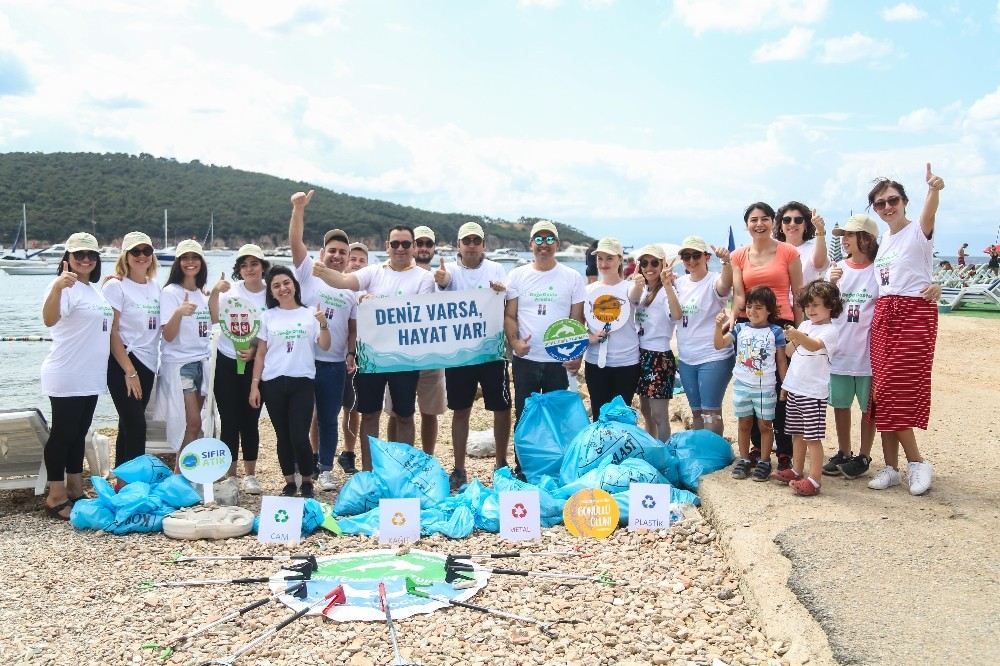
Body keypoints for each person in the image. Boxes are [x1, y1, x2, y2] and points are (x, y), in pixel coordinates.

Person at [314, 225, 435, 470]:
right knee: (369, 414)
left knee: (404, 415)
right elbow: (344, 280)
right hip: (371, 356)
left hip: (405, 357)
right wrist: (322, 271)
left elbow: (421, 311)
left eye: (405, 244)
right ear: (387, 247)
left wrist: (376, 301)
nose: (400, 249)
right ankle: (369, 472)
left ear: (413, 247)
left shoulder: (424, 277)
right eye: (394, 244)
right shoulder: (374, 272)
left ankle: (403, 471)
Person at [866, 163, 945, 496]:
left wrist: (934, 189)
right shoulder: (884, 238)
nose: (887, 206)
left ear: (904, 201)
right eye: (881, 203)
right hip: (884, 314)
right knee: (880, 393)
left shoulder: (918, 230)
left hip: (913, 313)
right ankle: (891, 468)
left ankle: (916, 462)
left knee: (896, 389)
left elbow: (929, 215)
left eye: (893, 199)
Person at [505, 221, 586, 476]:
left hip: (558, 360)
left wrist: (577, 355)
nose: (544, 245)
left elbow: (577, 321)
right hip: (526, 360)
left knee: (556, 417)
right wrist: (516, 343)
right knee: (525, 416)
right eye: (538, 240)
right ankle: (524, 468)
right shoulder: (517, 275)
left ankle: (553, 468)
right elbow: (510, 315)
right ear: (531, 244)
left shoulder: (572, 277)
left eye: (549, 239)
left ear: (557, 244)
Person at [288, 190, 357, 492]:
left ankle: (326, 468)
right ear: (323, 252)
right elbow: (295, 243)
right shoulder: (308, 274)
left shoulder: (349, 288)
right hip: (304, 360)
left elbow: (353, 326)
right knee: (301, 419)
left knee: (329, 418)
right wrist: (298, 209)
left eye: (343, 252)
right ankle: (302, 468)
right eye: (332, 250)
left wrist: (351, 354)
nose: (337, 256)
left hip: (334, 364)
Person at [435, 221, 511, 489]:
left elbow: (507, 298)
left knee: (501, 408)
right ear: (458, 245)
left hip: (492, 351)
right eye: (466, 240)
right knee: (460, 410)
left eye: (475, 240)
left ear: (483, 245)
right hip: (460, 354)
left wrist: (501, 290)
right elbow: (437, 301)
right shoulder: (450, 272)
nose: (471, 245)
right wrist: (442, 283)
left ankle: (501, 464)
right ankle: (458, 467)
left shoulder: (497, 268)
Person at [40, 233, 111, 519]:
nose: (85, 260)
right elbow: (48, 319)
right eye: (79, 255)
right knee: (63, 434)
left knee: (79, 434)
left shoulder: (94, 290)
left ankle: (75, 488)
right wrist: (57, 288)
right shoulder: (64, 286)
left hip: (91, 374)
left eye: (91, 255)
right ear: (67, 258)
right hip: (67, 371)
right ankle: (55, 495)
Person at [731, 202, 803, 471]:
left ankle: (784, 451)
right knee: (750, 384)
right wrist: (731, 318)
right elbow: (739, 294)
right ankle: (755, 448)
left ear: (773, 221)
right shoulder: (738, 255)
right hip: (749, 325)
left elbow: (799, 292)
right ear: (747, 224)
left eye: (764, 219)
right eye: (753, 219)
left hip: (782, 325)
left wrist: (800, 330)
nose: (759, 224)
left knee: (781, 388)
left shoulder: (789, 251)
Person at [249, 266, 331, 497]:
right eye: (276, 286)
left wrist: (323, 323)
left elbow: (324, 345)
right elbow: (261, 353)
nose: (283, 288)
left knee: (299, 435)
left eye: (286, 283)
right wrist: (255, 385)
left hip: (302, 381)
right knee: (282, 436)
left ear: (294, 284)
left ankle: (306, 480)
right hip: (272, 382)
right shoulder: (268, 316)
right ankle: (288, 482)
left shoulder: (309, 314)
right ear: (272, 292)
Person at [822, 215, 879, 480]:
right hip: (840, 352)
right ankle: (844, 451)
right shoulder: (836, 270)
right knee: (841, 405)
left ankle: (864, 455)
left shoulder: (878, 270)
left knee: (869, 408)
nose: (844, 239)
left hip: (869, 355)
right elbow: (822, 308)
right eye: (842, 235)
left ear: (866, 238)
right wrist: (830, 284)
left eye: (849, 234)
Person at [210, 244, 269, 495]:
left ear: (263, 266)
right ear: (238, 269)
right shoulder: (230, 290)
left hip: (257, 364)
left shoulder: (272, 295)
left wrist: (255, 351)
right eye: (244, 265)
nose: (249, 269)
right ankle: (231, 475)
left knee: (251, 420)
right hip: (226, 360)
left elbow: (275, 329)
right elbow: (214, 318)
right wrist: (213, 293)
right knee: (229, 420)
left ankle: (251, 475)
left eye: (254, 264)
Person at [714, 286, 787, 482]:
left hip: (765, 387)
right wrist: (717, 326)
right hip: (742, 385)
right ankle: (744, 459)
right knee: (744, 423)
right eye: (749, 306)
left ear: (769, 310)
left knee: (765, 425)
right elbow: (719, 344)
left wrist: (785, 386)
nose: (752, 311)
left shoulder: (776, 332)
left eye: (758, 307)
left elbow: (781, 361)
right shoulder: (739, 328)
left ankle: (764, 461)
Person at [386, 225, 447, 455]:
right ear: (413, 247)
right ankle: (396, 456)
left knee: (429, 411)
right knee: (397, 412)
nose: (423, 248)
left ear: (433, 248)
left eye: (427, 244)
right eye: (418, 243)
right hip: (399, 356)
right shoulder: (391, 272)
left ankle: (427, 459)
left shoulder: (444, 276)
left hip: (432, 355)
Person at [778, 280, 842, 496]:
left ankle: (814, 479)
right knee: (797, 433)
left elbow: (814, 346)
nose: (810, 310)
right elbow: (789, 353)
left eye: (816, 305)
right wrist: (793, 338)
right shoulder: (804, 326)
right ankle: (797, 470)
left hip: (813, 393)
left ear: (831, 305)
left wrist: (798, 336)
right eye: (807, 305)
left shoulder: (830, 330)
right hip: (796, 388)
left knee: (812, 437)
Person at [103, 231, 160, 468]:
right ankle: (135, 483)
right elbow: (112, 331)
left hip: (148, 362)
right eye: (135, 251)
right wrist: (129, 370)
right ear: (125, 256)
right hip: (123, 362)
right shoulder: (115, 286)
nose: (141, 256)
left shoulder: (155, 286)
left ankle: (122, 482)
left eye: (146, 251)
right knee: (137, 426)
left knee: (127, 425)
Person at [154, 240, 213, 457]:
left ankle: (186, 473)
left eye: (195, 257)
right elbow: (168, 336)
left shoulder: (202, 294)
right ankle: (181, 476)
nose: (190, 262)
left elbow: (211, 326)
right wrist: (178, 313)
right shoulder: (170, 292)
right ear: (178, 263)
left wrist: (215, 294)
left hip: (202, 362)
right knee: (192, 422)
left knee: (195, 424)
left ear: (201, 262)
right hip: (180, 365)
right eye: (185, 258)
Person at [672, 236, 734, 437]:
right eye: (686, 256)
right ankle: (701, 452)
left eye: (696, 255)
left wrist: (726, 262)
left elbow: (725, 284)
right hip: (687, 358)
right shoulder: (679, 284)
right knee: (697, 412)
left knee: (711, 413)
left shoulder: (713, 280)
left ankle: (715, 455)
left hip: (713, 357)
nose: (691, 260)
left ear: (706, 257)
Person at [584, 238, 641, 419]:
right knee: (598, 415)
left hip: (627, 362)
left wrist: (639, 285)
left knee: (621, 417)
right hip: (595, 362)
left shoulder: (631, 287)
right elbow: (578, 326)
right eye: (600, 259)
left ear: (619, 259)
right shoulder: (588, 290)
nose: (603, 263)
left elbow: (634, 298)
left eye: (609, 258)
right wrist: (591, 338)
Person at [630, 245, 680, 441]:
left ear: (663, 264)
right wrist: (636, 284)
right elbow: (630, 302)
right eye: (644, 263)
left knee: (659, 414)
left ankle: (665, 451)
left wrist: (668, 286)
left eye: (654, 263)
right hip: (641, 355)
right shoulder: (642, 290)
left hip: (660, 356)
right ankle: (653, 449)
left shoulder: (667, 290)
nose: (648, 267)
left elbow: (676, 315)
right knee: (646, 411)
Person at [337, 242, 369, 476]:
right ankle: (317, 455)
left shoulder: (367, 289)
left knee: (353, 407)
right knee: (320, 410)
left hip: (357, 355)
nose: (356, 263)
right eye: (353, 258)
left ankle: (348, 452)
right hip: (329, 354)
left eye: (361, 260)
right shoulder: (334, 286)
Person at [774, 202, 829, 285]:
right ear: (781, 225)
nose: (792, 224)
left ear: (806, 225)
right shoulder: (772, 250)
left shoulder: (813, 249)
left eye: (798, 220)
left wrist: (820, 230)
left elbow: (819, 264)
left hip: (806, 297)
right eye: (787, 220)